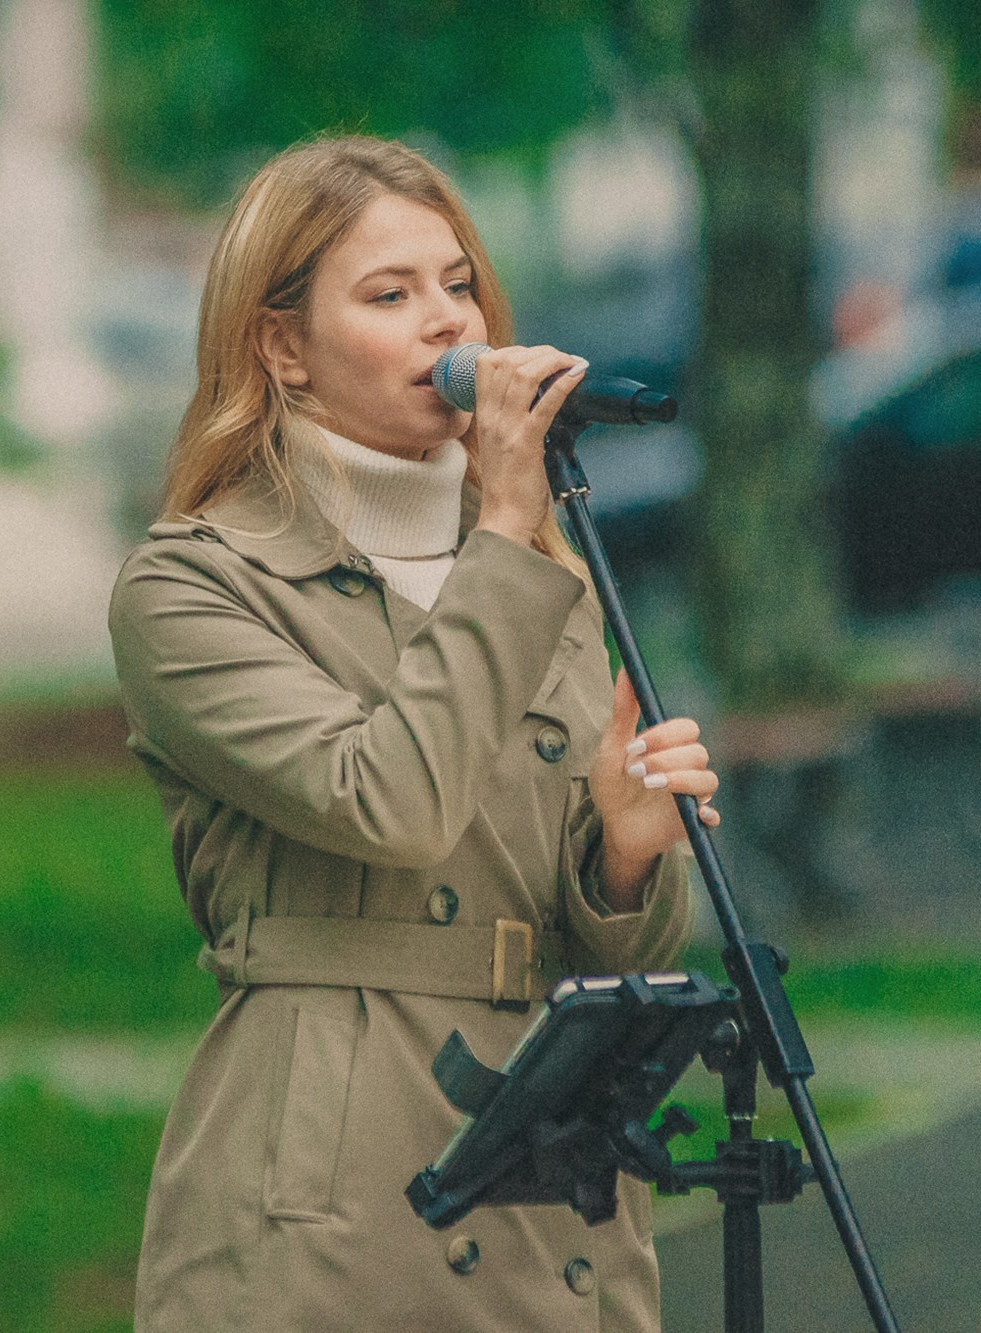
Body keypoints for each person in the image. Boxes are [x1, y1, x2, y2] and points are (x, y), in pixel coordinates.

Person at [107, 137, 719, 1331]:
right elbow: (385, 802)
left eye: (457, 285)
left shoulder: (541, 566)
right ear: (280, 346)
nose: (448, 325)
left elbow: (595, 933)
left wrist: (626, 857)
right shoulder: (192, 586)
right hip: (334, 1181)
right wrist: (499, 519)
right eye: (388, 296)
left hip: (549, 1160)